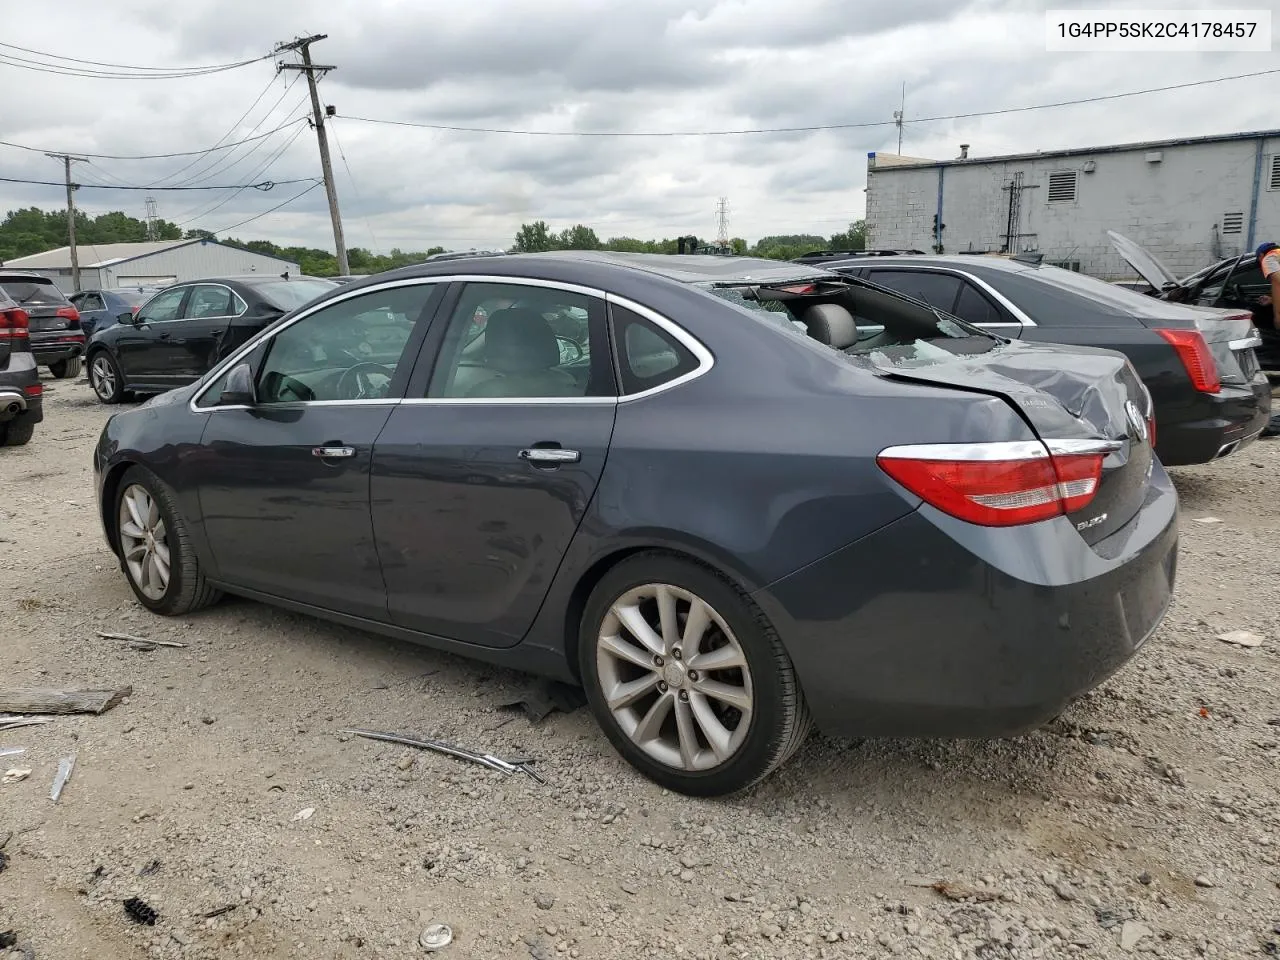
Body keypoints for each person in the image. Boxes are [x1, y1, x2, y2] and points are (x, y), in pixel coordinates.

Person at [1258, 242, 1280, 437]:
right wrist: (1272, 300)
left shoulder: (1270, 257)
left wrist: (1277, 315)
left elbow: (1277, 281)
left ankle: (1274, 425)